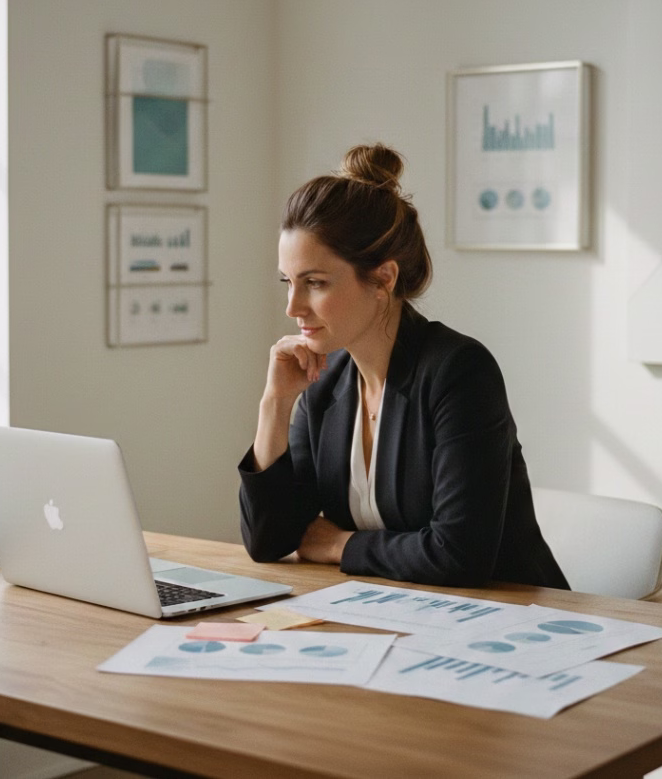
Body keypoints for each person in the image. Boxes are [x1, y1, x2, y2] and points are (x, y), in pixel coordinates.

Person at [238, 143, 569, 590]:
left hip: (510, 615)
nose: (292, 306)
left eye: (314, 283)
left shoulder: (459, 372)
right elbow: (269, 539)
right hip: (392, 611)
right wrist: (275, 403)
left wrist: (339, 545)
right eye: (288, 282)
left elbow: (459, 556)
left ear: (383, 279)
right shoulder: (323, 384)